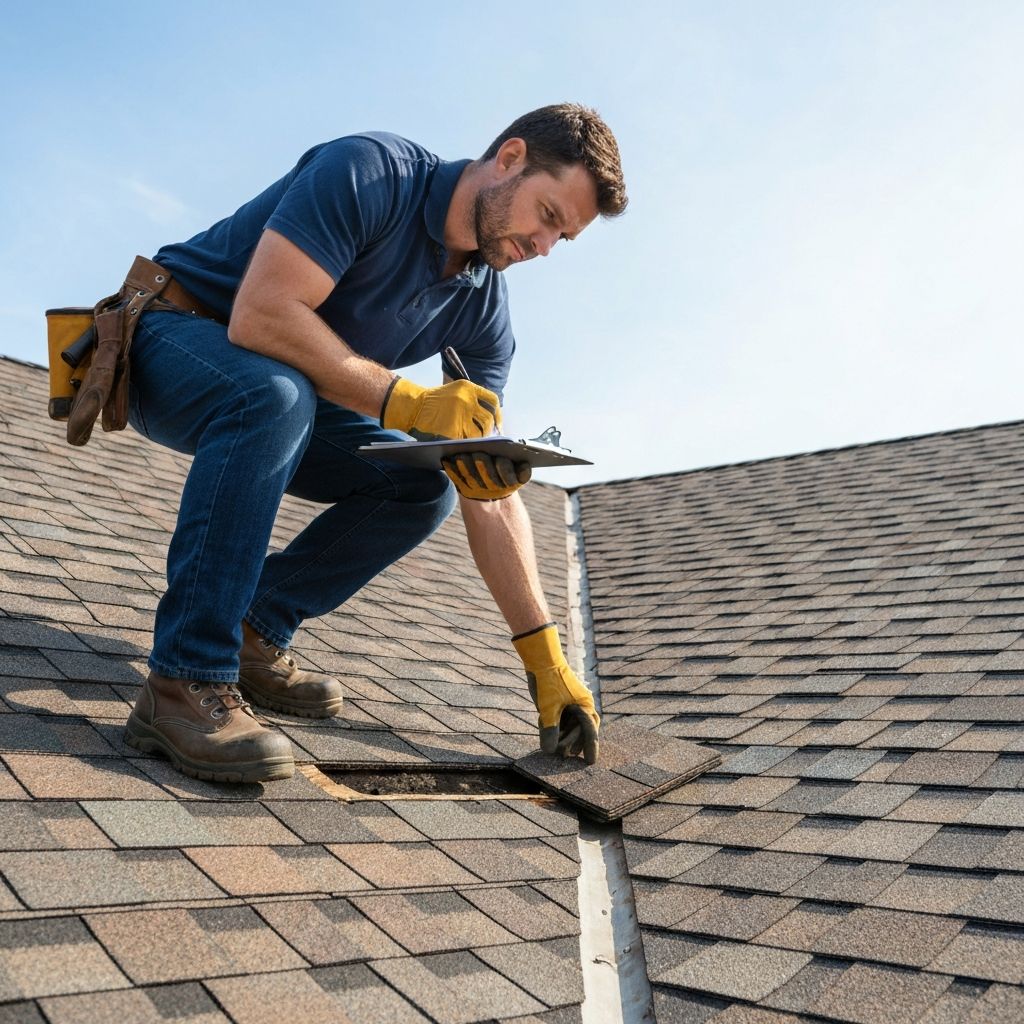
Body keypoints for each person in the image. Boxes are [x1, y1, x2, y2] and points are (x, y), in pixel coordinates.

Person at [122, 103, 628, 782]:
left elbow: (487, 483)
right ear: (509, 159)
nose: (542, 247)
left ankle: (251, 633)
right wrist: (405, 399)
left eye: (562, 239)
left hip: (280, 394)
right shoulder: (371, 174)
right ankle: (182, 681)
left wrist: (546, 659)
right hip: (166, 334)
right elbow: (262, 313)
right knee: (274, 393)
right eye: (547, 216)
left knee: (421, 485)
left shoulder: (480, 304)